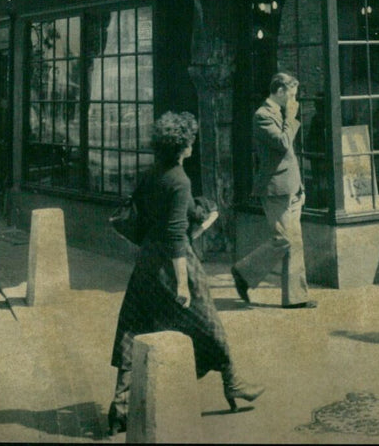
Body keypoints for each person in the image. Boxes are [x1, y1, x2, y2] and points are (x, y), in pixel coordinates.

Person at [108, 111, 264, 435]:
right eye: (191, 140)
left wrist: (195, 209)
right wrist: (183, 283)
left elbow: (156, 211)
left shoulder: (154, 172)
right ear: (183, 145)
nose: (193, 145)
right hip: (173, 264)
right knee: (209, 324)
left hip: (146, 264)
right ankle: (233, 383)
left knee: (134, 328)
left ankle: (120, 407)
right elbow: (177, 235)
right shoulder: (180, 180)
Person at [231, 71, 316, 310]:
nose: (294, 100)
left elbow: (291, 155)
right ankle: (243, 272)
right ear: (279, 92)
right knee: (284, 240)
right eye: (291, 94)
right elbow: (282, 144)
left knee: (294, 242)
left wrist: (301, 187)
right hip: (275, 188)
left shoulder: (279, 113)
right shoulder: (262, 115)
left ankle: (296, 298)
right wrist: (291, 118)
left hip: (292, 186)